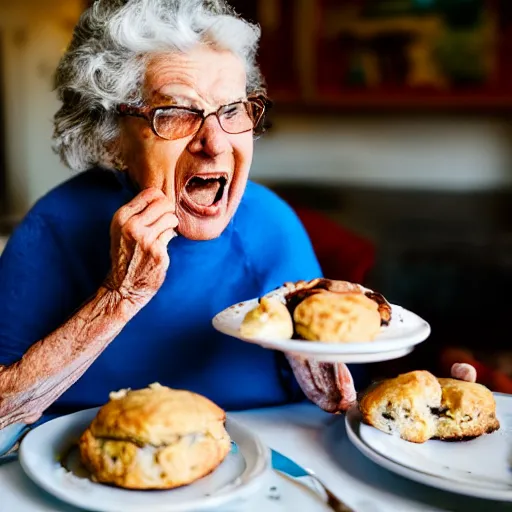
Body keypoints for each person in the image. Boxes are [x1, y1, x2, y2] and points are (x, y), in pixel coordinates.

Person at [0, 0, 471, 431]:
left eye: (233, 110)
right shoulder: (53, 229)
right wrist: (118, 296)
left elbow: (338, 404)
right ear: (111, 138)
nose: (216, 142)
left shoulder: (272, 226)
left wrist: (431, 397)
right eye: (177, 112)